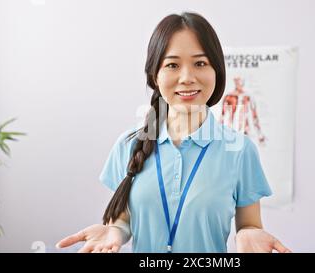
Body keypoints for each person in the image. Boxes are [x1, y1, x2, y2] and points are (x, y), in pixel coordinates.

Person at [56, 12, 291, 253]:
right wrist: (115, 231)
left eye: (200, 63)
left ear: (217, 71)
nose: (187, 78)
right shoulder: (128, 145)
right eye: (172, 65)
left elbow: (249, 225)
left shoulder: (240, 150)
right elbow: (124, 219)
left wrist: (249, 234)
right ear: (154, 75)